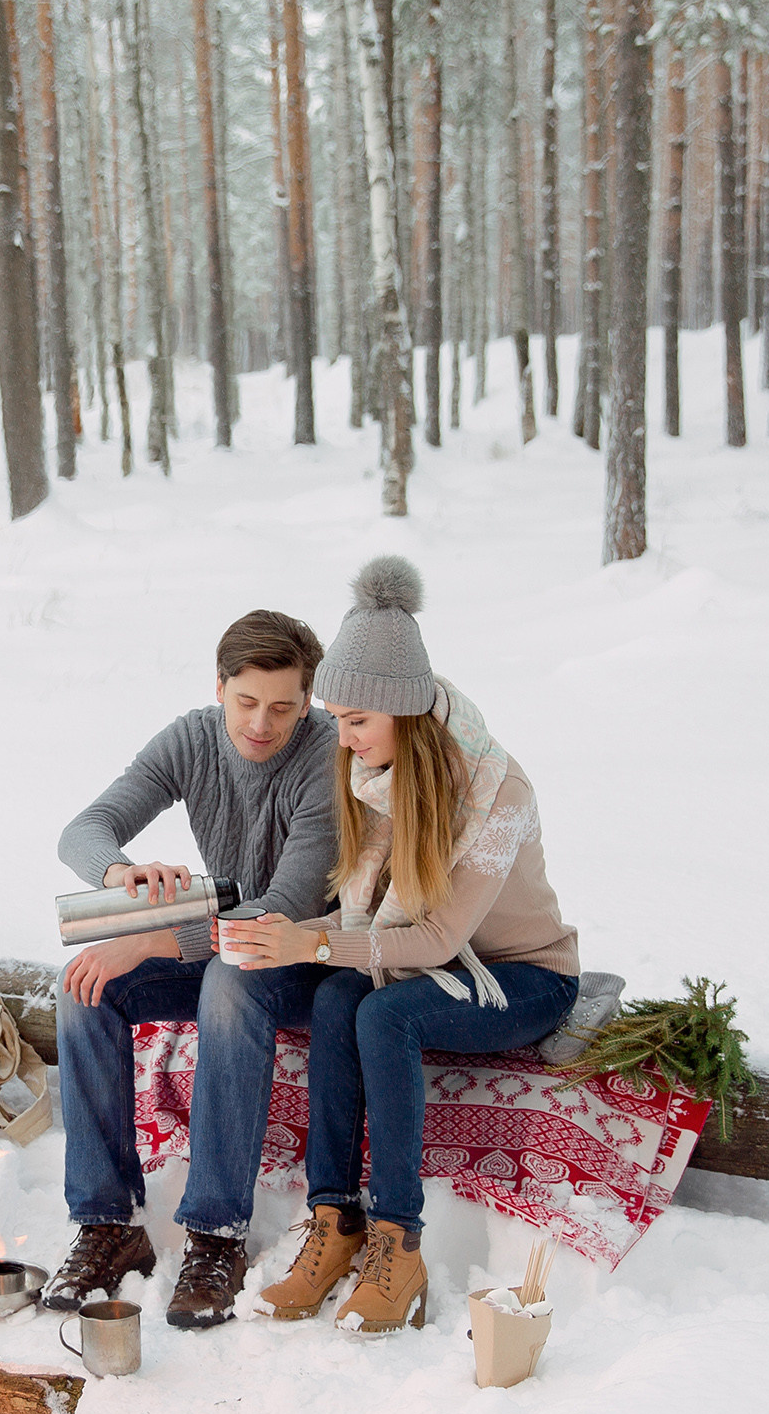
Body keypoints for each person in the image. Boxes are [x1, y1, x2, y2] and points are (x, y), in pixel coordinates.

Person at [224, 557, 580, 1334]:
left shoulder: (496, 792)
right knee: (336, 993)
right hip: (439, 960)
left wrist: (310, 943)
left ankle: (399, 1241)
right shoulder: (374, 773)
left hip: (522, 976)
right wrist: (300, 943)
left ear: (401, 711)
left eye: (355, 721)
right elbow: (375, 930)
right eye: (338, 720)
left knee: (386, 1016)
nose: (341, 739)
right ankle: (332, 1221)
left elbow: (436, 936)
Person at [43, 611, 340, 1329]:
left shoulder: (328, 760)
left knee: (229, 981)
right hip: (219, 940)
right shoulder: (193, 738)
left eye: (282, 707)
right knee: (84, 986)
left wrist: (148, 940)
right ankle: (107, 1224)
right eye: (245, 702)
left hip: (304, 958)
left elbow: (277, 912)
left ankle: (216, 1235)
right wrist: (122, 872)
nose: (261, 724)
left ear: (308, 702)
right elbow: (80, 830)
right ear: (220, 687)